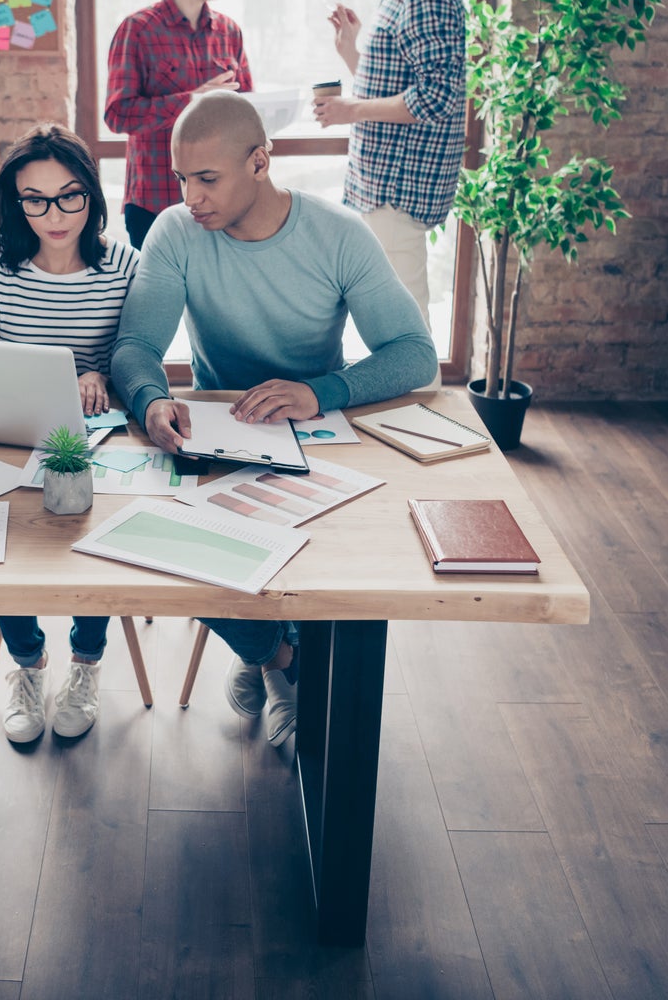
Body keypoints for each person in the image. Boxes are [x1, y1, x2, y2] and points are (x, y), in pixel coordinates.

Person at [110, 92, 436, 746]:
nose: (190, 196)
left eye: (208, 179)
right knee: (163, 542)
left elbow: (416, 355)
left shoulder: (338, 234)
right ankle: (278, 658)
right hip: (216, 440)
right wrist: (150, 401)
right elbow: (135, 349)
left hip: (323, 436)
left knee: (335, 558)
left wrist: (321, 390)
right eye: (182, 179)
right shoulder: (176, 232)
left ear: (260, 161)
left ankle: (265, 650)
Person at [0, 124, 140, 742]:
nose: (54, 215)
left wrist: (99, 373)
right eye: (34, 199)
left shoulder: (124, 264)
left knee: (100, 534)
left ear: (91, 194)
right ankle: (28, 664)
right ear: (16, 202)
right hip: (9, 434)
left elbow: (137, 357)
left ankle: (86, 662)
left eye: (69, 196)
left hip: (98, 443)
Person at [314, 0, 466, 386]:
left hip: (397, 192)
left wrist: (348, 108)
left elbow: (437, 97)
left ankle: (426, 434)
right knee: (395, 320)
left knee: (407, 330)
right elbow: (400, 90)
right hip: (384, 188)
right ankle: (414, 429)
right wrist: (352, 53)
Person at [104, 0, 254, 250]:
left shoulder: (230, 32)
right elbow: (118, 114)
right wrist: (191, 101)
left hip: (222, 205)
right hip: (155, 203)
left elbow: (249, 110)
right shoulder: (137, 30)